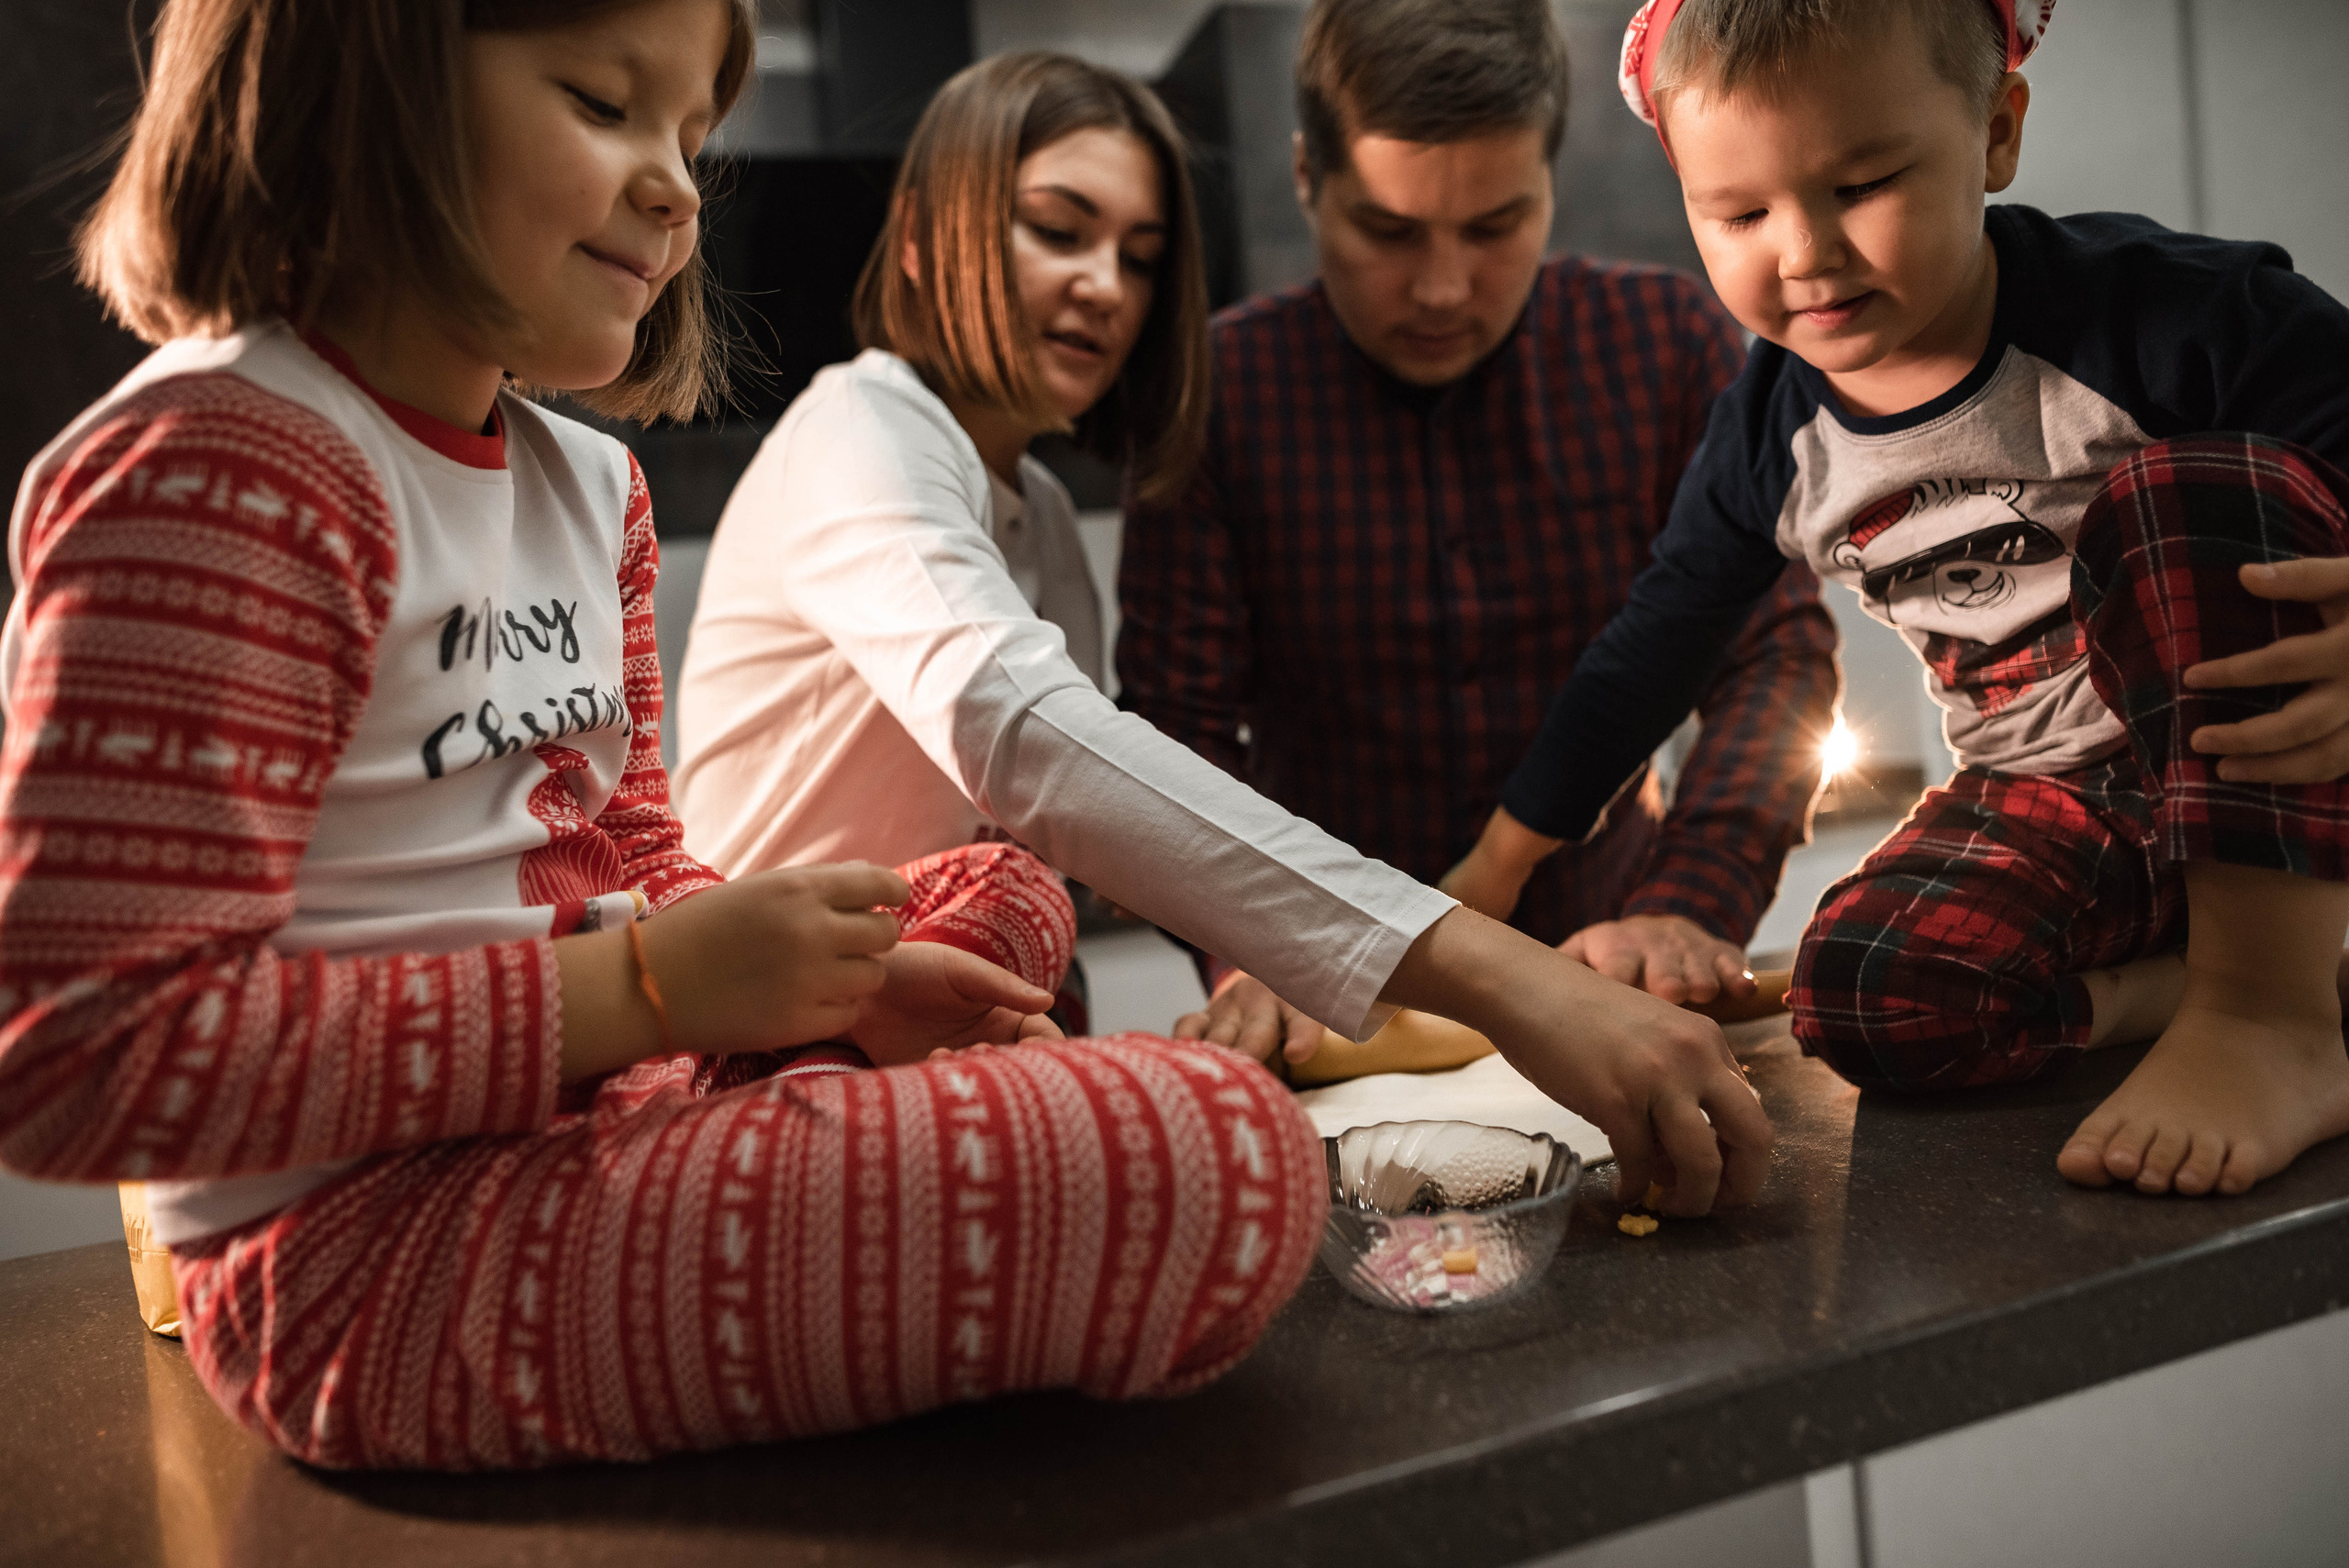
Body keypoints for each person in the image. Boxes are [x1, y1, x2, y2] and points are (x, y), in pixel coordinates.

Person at [0, 0, 1335, 1472]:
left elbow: (631, 851)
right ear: (355, 82)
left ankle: (806, 1128)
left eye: (693, 138)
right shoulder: (229, 464)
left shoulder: (591, 488)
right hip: (364, 1252)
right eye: (599, 101)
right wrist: (652, 987)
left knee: (1002, 899)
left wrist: (799, 983)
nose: (677, 187)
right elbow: (84, 1060)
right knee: (1220, 1152)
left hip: (610, 1102)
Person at [673, 53, 1768, 1217]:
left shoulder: (1035, 511)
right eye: (1058, 230)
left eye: (1141, 257)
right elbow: (1030, 733)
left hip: (935, 1069)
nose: (1105, 286)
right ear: (920, 236)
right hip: (771, 1068)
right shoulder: (857, 430)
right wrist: (1502, 977)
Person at [1447, 0, 2349, 1196]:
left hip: (2286, 760)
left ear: (1994, 132)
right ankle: (2177, 983)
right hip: (2059, 797)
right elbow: (1650, 651)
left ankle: (2272, 1014)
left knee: (2189, 486)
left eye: (1861, 183)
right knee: (1859, 997)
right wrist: (1490, 876)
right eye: (1742, 213)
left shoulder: (2167, 316)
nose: (1806, 251)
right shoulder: (1775, 431)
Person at [1115, 0, 1841, 1068]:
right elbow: (1173, 740)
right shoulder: (1216, 396)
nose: (1443, 288)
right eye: (1389, 232)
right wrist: (1248, 951)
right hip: (1335, 1002)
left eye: (1494, 227)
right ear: (1309, 177)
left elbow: (1773, 653)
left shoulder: (1663, 345)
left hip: (1618, 974)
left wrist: (1689, 902)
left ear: (1550, 179)